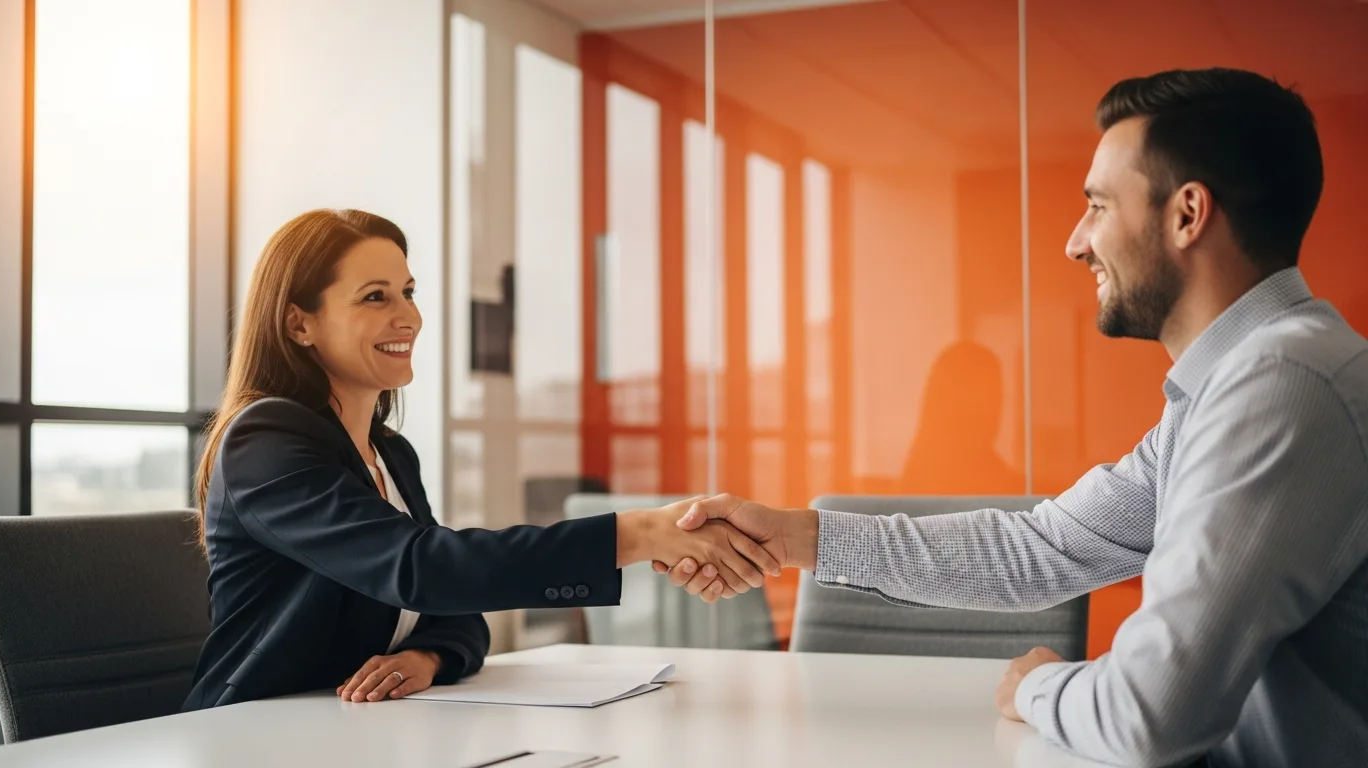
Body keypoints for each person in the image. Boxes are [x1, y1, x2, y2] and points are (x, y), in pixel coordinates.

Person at [658, 68, 1368, 768]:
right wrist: (790, 537)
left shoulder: (1283, 385)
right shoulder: (1235, 385)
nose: (1076, 241)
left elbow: (1150, 714)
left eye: (1098, 205)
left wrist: (1038, 686)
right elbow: (1039, 548)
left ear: (1187, 214)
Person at [183, 209, 779, 711]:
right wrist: (640, 533)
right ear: (299, 323)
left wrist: (427, 655)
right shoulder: (265, 440)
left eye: (409, 293)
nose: (408, 317)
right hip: (256, 731)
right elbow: (423, 570)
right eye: (375, 297)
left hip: (358, 727)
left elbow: (458, 609)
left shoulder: (391, 454)